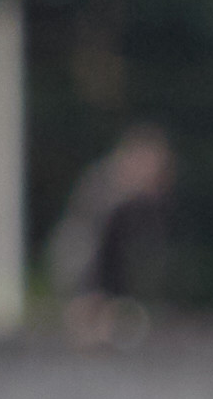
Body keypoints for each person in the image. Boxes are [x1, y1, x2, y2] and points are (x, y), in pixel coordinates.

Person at [49, 123, 176, 341]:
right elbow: (88, 246)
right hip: (83, 262)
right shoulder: (104, 191)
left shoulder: (139, 201)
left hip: (107, 269)